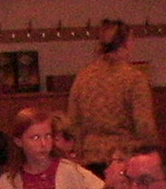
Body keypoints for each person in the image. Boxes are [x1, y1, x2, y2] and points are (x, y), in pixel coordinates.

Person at [67, 18, 157, 168]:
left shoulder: (83, 77)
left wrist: (78, 150)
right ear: (126, 43)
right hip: (125, 156)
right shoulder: (134, 78)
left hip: (90, 156)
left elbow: (73, 120)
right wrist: (153, 151)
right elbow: (144, 124)